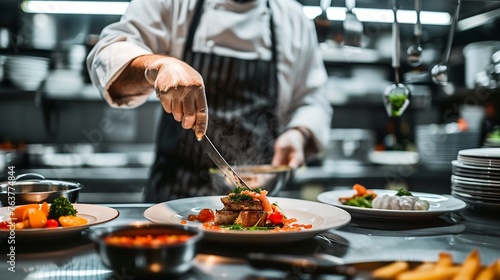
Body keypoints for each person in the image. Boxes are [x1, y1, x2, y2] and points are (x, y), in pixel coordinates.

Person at [87, 0, 333, 202]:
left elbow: (314, 99)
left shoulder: (293, 19)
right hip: (172, 207)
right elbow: (107, 55)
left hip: (260, 211)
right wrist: (158, 66)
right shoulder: (174, 4)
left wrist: (299, 134)